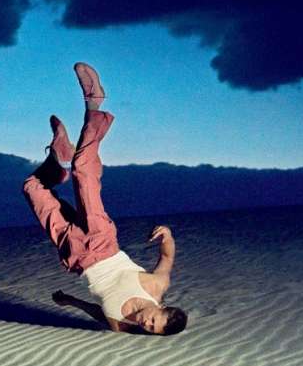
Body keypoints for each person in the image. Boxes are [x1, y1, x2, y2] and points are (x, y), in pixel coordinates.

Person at [21, 62, 188, 335]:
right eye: (153, 320)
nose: (146, 324)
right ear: (162, 307)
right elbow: (167, 257)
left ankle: (57, 161)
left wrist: (71, 301)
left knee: (31, 188)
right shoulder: (156, 286)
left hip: (76, 255)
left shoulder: (121, 325)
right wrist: (167, 235)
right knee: (83, 169)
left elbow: (99, 313)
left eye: (150, 329)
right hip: (101, 240)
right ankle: (94, 103)